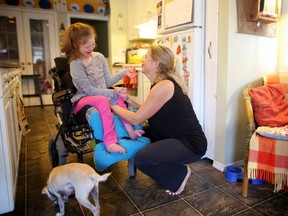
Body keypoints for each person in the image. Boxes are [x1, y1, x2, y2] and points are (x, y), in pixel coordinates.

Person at [111, 45, 207, 195]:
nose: (143, 59)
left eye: (146, 57)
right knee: (133, 135)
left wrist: (111, 105)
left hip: (189, 143)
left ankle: (179, 174)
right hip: (171, 136)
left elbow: (137, 119)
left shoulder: (164, 85)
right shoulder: (160, 84)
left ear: (156, 63)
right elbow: (147, 110)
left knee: (142, 159)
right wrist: (128, 100)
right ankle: (168, 166)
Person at [61, 22, 144, 154]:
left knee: (119, 97)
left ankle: (130, 131)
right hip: (83, 99)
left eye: (93, 44)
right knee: (103, 99)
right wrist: (111, 92)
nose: (91, 48)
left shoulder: (99, 57)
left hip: (100, 94)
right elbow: (89, 91)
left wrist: (124, 73)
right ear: (75, 46)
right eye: (87, 46)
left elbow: (108, 81)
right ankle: (110, 142)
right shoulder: (75, 64)